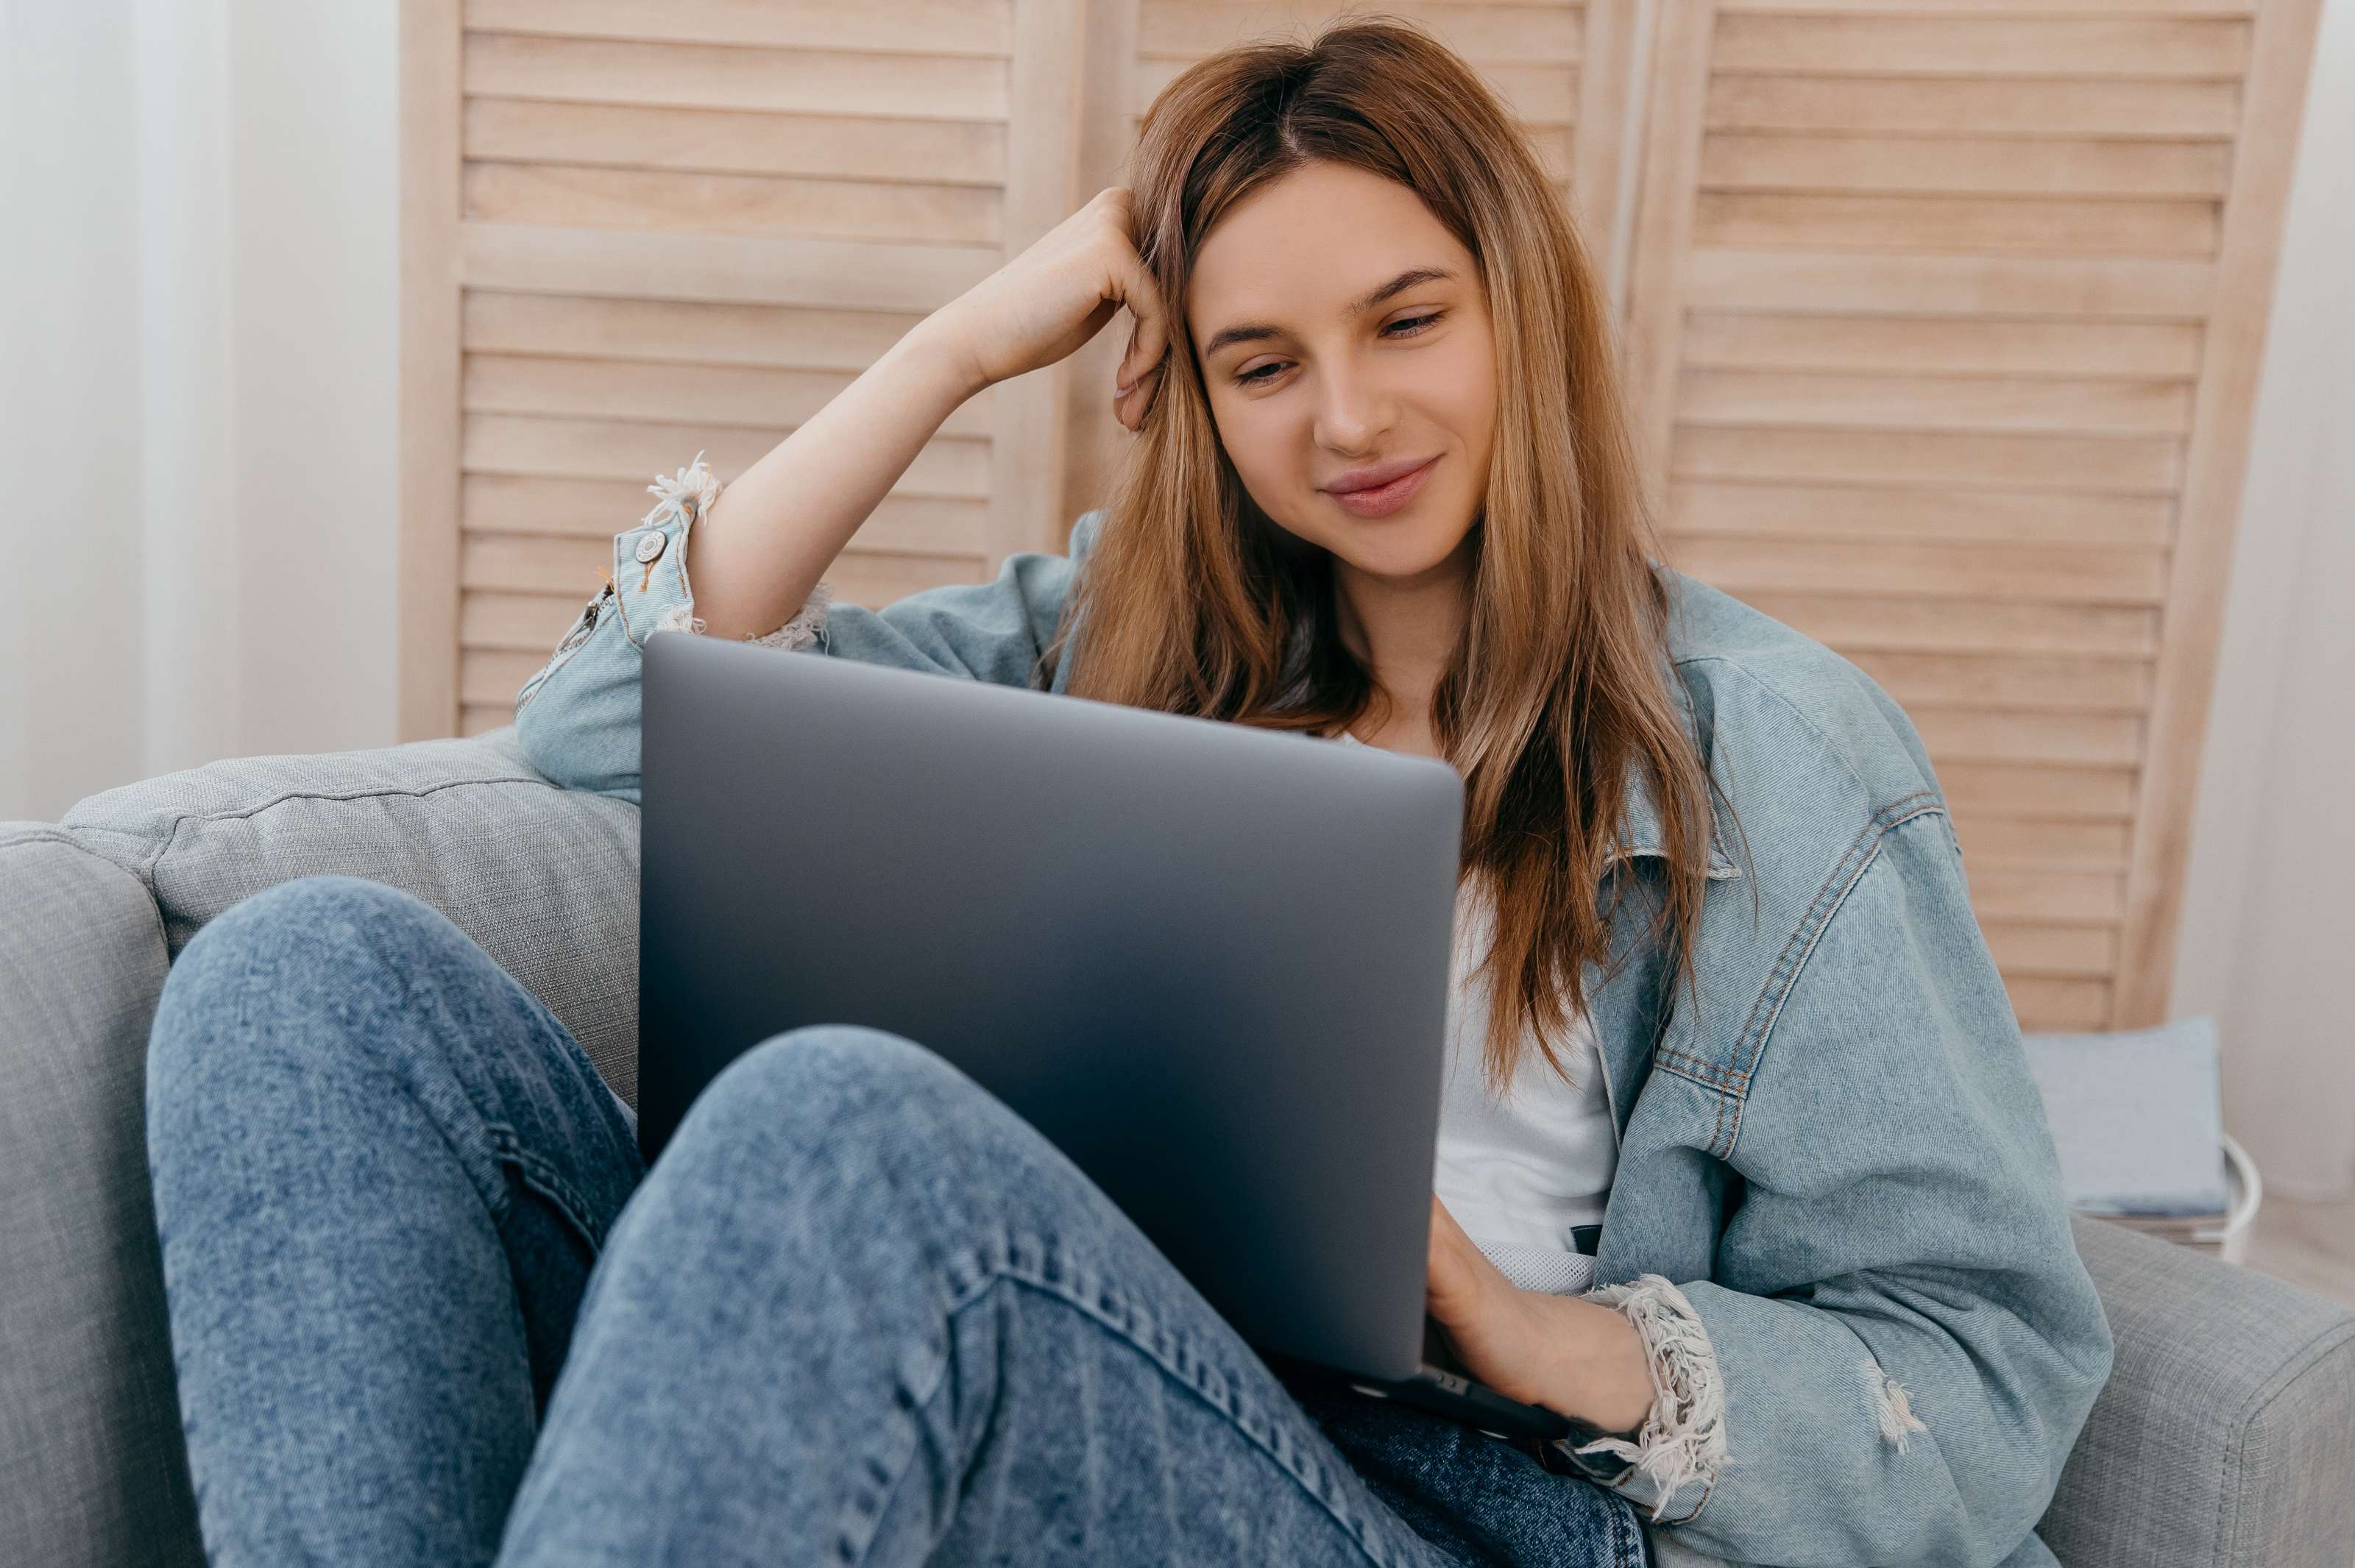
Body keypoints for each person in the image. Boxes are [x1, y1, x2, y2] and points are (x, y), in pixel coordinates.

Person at [143, 19, 2111, 1568]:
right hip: (1026, 1336)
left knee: (839, 1125)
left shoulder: (1772, 741)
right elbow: (599, 720)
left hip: (1447, 1492)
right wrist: (966, 340)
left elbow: (1993, 1361)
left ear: (1526, 306)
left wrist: (1528, 1330)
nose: (1345, 418)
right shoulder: (1118, 634)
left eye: (1408, 320)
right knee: (300, 985)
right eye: (1259, 361)